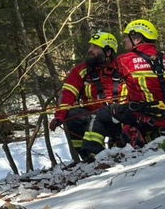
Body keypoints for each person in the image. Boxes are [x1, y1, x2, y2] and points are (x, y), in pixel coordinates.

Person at [79, 19, 165, 161]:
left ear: (137, 38)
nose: (124, 41)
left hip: (141, 116)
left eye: (127, 37)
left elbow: (109, 78)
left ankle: (93, 154)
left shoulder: (124, 60)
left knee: (103, 113)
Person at [50, 32, 122, 160]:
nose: (90, 50)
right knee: (72, 115)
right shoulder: (81, 71)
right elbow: (68, 94)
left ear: (108, 52)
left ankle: (120, 147)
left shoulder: (122, 67)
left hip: (122, 116)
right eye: (90, 46)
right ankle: (91, 156)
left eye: (95, 47)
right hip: (93, 118)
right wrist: (60, 115)